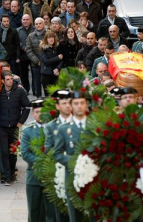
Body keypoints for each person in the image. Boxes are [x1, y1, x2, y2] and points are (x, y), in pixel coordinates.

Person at [53, 89, 89, 222]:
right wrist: (75, 161)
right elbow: (57, 154)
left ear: (86, 105)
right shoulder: (63, 129)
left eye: (82, 103)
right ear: (72, 106)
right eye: (76, 103)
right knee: (75, 217)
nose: (79, 106)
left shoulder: (94, 126)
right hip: (72, 179)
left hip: (93, 180)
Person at [0, 71, 30, 186]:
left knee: (13, 152)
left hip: (14, 126)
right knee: (4, 152)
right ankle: (7, 176)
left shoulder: (19, 91)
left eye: (11, 79)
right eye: (8, 79)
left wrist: (21, 121)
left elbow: (27, 106)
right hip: (2, 126)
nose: (10, 81)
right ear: (3, 81)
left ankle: (12, 172)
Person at [21, 99, 47, 222]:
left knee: (50, 213)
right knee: (34, 212)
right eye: (37, 112)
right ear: (33, 113)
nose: (40, 114)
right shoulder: (28, 130)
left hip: (50, 178)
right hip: (34, 177)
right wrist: (44, 162)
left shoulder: (53, 129)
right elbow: (25, 153)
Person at [26, 17, 46, 97]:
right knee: (37, 83)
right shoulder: (30, 36)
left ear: (43, 24)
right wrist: (37, 61)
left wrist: (45, 61)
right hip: (35, 64)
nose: (38, 25)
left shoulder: (49, 34)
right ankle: (38, 100)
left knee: (46, 84)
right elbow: (29, 50)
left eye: (40, 23)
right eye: (36, 24)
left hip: (47, 63)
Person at [40, 31, 63, 96]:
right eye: (49, 37)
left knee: (56, 94)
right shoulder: (42, 48)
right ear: (46, 39)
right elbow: (46, 61)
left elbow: (62, 60)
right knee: (48, 95)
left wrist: (58, 68)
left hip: (55, 73)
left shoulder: (57, 47)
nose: (51, 39)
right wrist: (57, 58)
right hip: (46, 74)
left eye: (52, 37)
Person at [16, 14, 35, 94]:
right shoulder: (18, 30)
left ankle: (35, 90)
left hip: (33, 55)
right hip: (22, 55)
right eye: (24, 19)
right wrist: (23, 47)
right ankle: (26, 90)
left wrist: (30, 48)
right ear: (21, 20)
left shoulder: (35, 29)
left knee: (34, 74)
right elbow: (17, 42)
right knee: (23, 75)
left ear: (30, 20)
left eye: (27, 19)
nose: (25, 21)